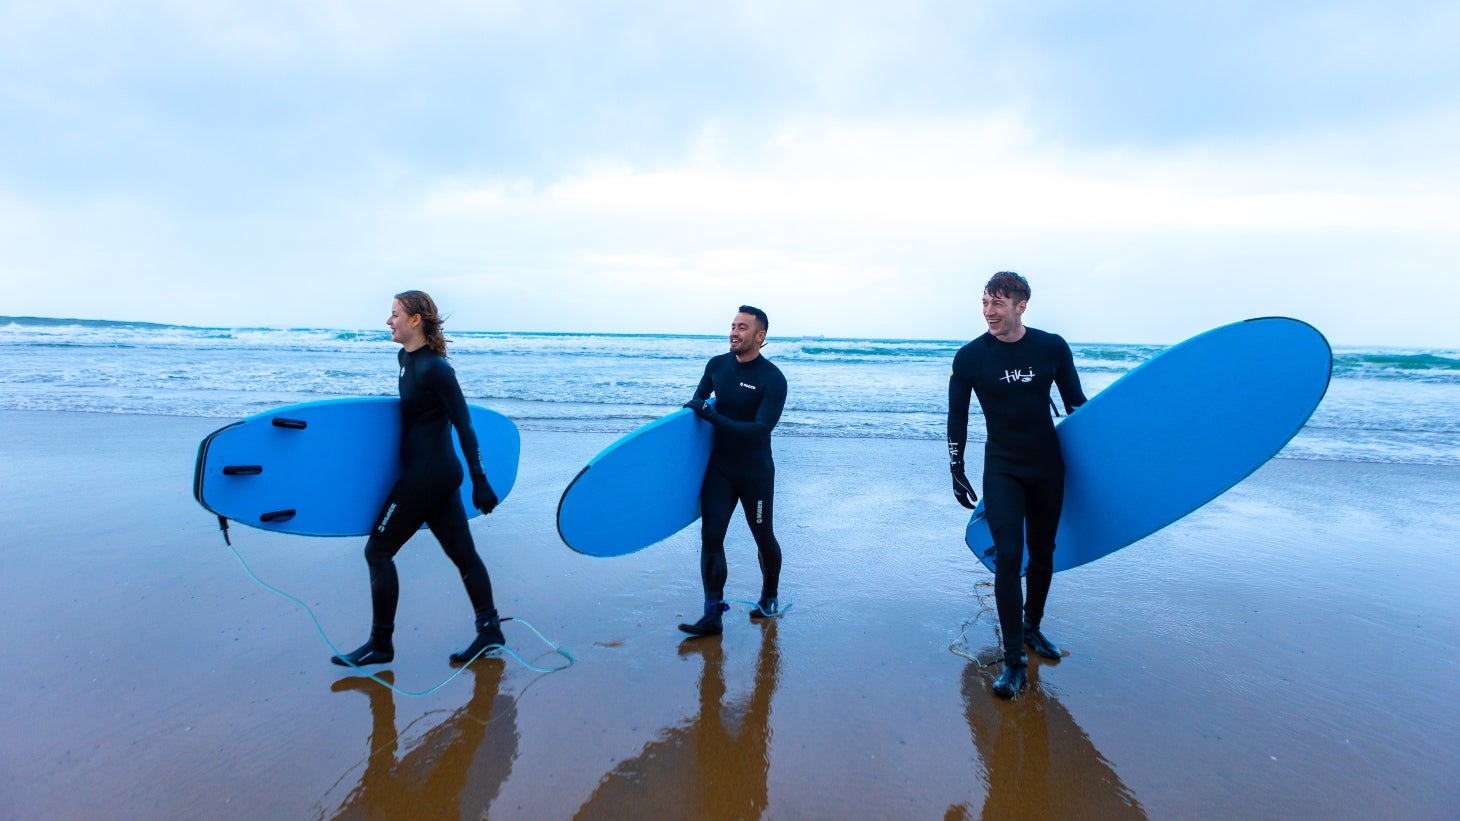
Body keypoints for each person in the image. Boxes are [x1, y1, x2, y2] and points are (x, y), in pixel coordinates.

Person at [331, 290, 505, 668]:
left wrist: (480, 479)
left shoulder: (436, 369)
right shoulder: (404, 359)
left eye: (394, 314)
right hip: (432, 474)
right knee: (463, 555)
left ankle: (381, 644)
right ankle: (490, 629)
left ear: (415, 320)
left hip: (431, 474)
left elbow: (465, 425)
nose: (388, 321)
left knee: (378, 550)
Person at [947, 272, 1087, 698]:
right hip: (1003, 467)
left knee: (1044, 552)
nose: (989, 311)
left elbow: (1076, 406)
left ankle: (1032, 627)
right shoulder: (971, 356)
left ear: (1021, 305)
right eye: (985, 303)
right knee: (1009, 557)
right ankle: (1013, 660)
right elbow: (958, 417)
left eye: (998, 304)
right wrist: (956, 466)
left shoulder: (1051, 347)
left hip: (1047, 466)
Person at [678, 305, 788, 637]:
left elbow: (759, 430)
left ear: (760, 336)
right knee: (711, 537)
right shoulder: (717, 366)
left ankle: (769, 596)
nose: (734, 332)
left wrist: (711, 417)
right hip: (720, 469)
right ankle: (712, 616)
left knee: (762, 535)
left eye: (742, 328)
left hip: (754, 472)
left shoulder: (772, 379)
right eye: (732, 325)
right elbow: (695, 406)